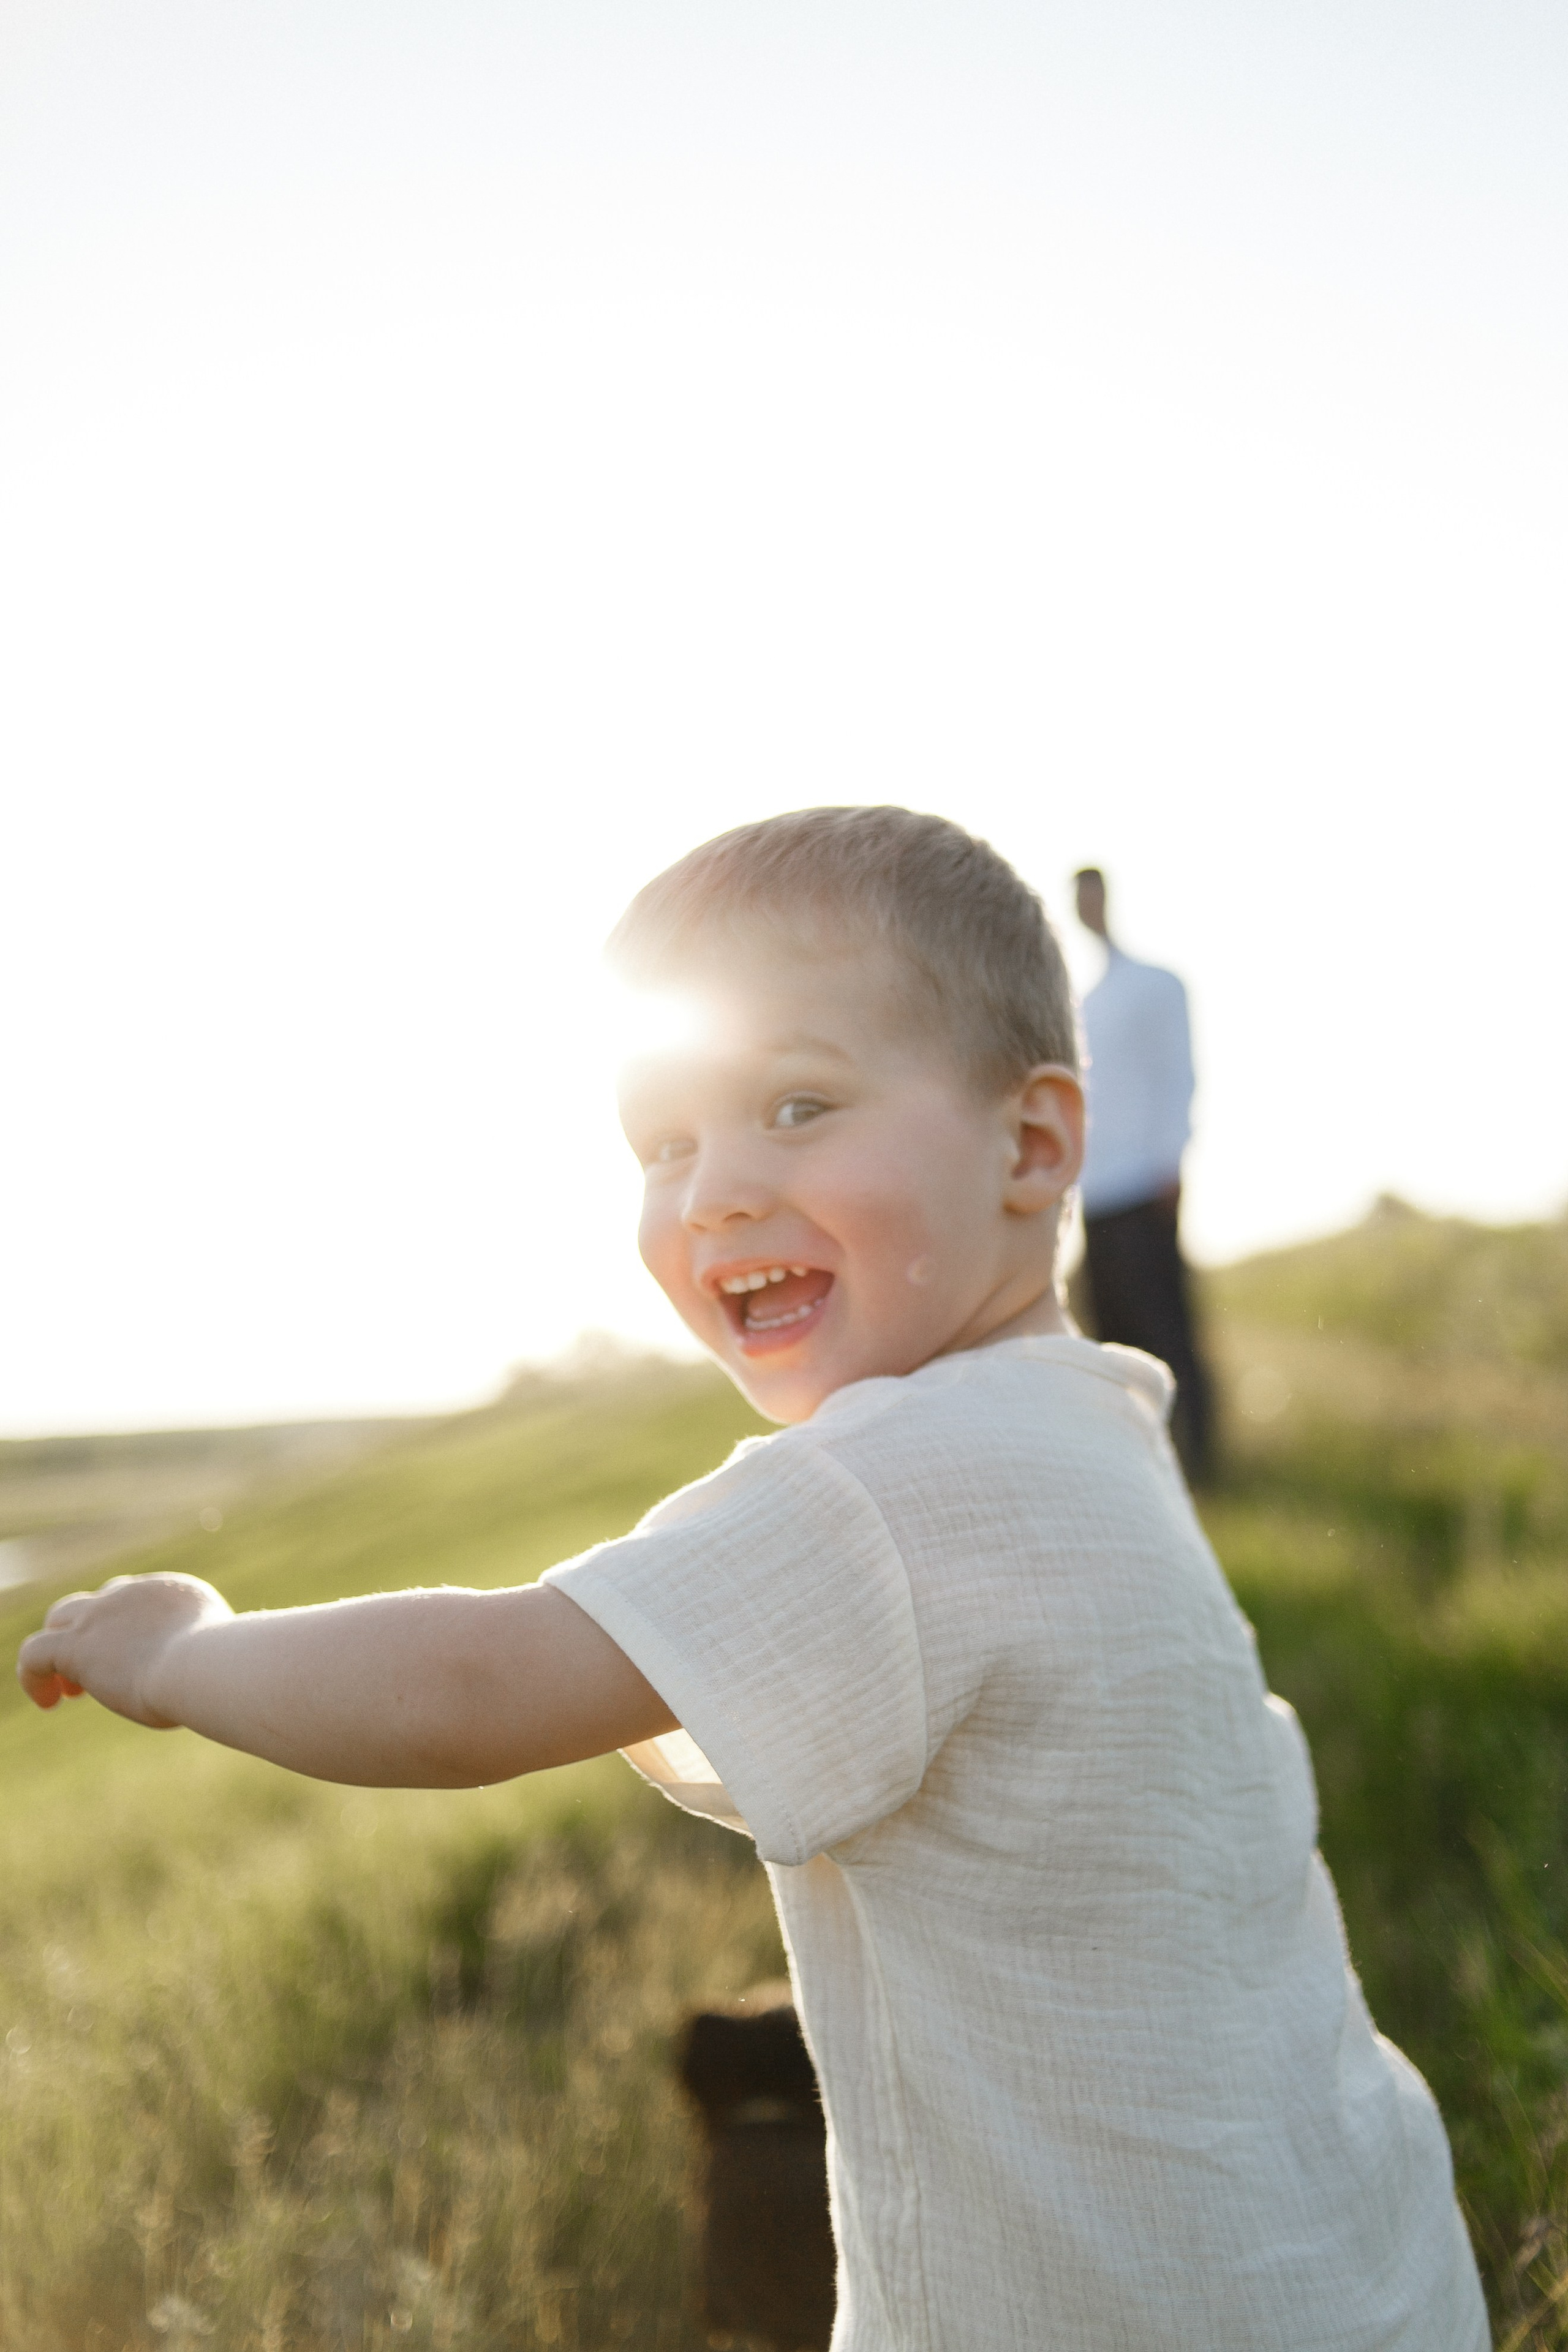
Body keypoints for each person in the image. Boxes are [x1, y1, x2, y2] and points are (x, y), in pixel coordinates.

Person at [19, 809, 1485, 2352]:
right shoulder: (1093, 1423)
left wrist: (187, 1649)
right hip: (1347, 2264)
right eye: (663, 1144)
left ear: (1032, 1142)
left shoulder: (893, 1484)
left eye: (797, 1102)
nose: (714, 1187)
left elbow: (472, 1687)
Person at [1072, 865, 1213, 1482]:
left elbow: (1177, 1074)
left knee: (1169, 1333)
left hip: (1143, 1187)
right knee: (1112, 1338)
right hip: (1095, 1194)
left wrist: (1169, 1161)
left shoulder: (1156, 986)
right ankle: (1140, 1470)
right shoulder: (1085, 1003)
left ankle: (1204, 1464)